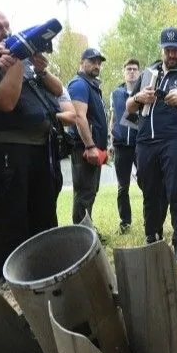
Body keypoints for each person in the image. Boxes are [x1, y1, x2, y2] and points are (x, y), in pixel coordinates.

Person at [0, 6, 63, 284]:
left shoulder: (20, 58)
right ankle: (6, 281)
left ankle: (45, 275)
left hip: (42, 145)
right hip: (7, 148)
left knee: (44, 213)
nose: (4, 32)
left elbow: (55, 93)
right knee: (10, 216)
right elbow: (5, 102)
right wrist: (17, 59)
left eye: (6, 25)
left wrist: (38, 68)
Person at [125, 27, 177, 262]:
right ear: (161, 49)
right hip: (146, 141)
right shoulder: (146, 74)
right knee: (150, 192)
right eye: (167, 50)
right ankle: (153, 237)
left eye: (175, 50)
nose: (171, 54)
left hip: (174, 140)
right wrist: (139, 98)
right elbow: (128, 108)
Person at [68, 48, 108, 224]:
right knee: (84, 193)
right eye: (92, 61)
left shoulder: (92, 85)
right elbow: (79, 117)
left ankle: (87, 231)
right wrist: (90, 146)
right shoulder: (79, 84)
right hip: (84, 148)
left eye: (99, 62)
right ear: (82, 62)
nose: (97, 65)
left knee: (90, 191)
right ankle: (81, 236)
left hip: (94, 148)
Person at [109, 58, 140, 234]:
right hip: (121, 146)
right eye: (128, 69)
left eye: (135, 69)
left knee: (146, 181)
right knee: (123, 187)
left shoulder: (144, 92)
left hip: (139, 145)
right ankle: (125, 222)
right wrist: (110, 141)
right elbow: (112, 118)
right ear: (124, 72)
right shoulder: (116, 94)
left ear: (139, 72)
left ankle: (150, 219)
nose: (131, 72)